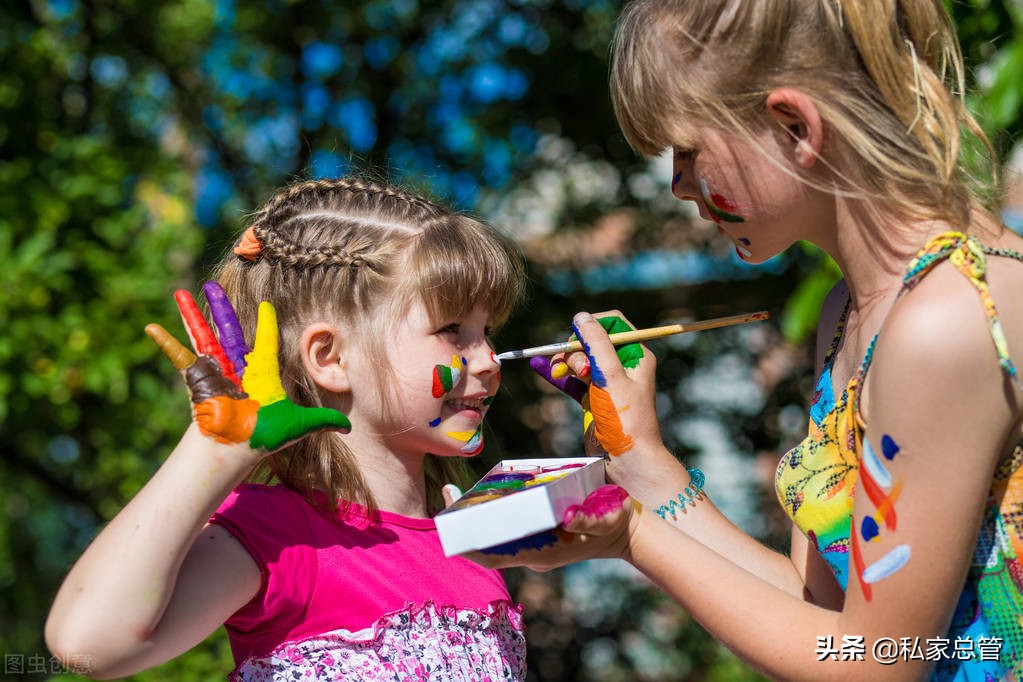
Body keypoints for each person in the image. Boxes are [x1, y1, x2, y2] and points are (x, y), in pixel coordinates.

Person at [472, 1, 1023, 680]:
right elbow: (819, 614)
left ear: (794, 127)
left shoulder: (944, 321)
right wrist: (643, 464)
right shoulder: (848, 312)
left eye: (687, 149)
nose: (676, 184)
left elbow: (877, 664)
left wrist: (633, 537)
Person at [45, 177, 531, 680]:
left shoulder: (471, 540)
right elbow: (88, 644)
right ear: (331, 357)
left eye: (488, 332)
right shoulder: (278, 535)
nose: (490, 360)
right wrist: (215, 451)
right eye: (452, 331)